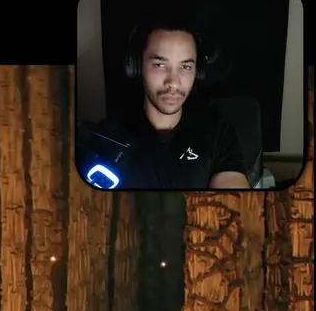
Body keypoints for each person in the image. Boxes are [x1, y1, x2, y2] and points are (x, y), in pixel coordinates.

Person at [88, 18, 249, 190]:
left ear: (197, 72)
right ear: (137, 67)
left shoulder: (217, 132)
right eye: (159, 65)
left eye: (185, 67)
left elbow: (233, 200)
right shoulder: (105, 139)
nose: (173, 82)